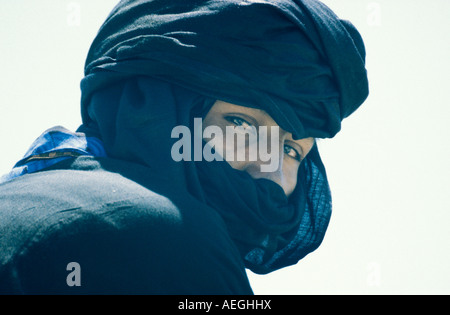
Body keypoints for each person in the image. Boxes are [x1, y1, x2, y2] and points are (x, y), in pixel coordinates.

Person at [0, 0, 369, 294]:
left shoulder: (27, 190)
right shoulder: (170, 239)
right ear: (156, 109)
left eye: (292, 151)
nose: (269, 172)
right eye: (241, 125)